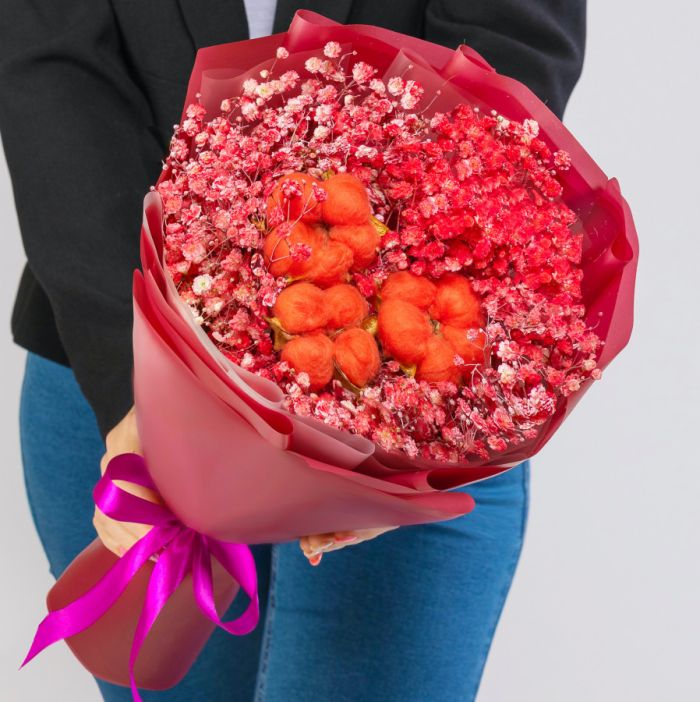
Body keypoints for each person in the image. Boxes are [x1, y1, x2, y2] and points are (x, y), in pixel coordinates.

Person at [0, 1, 585, 700]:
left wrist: (393, 416)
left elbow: (512, 44)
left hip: (407, 396)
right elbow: (50, 66)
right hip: (116, 374)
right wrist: (137, 389)